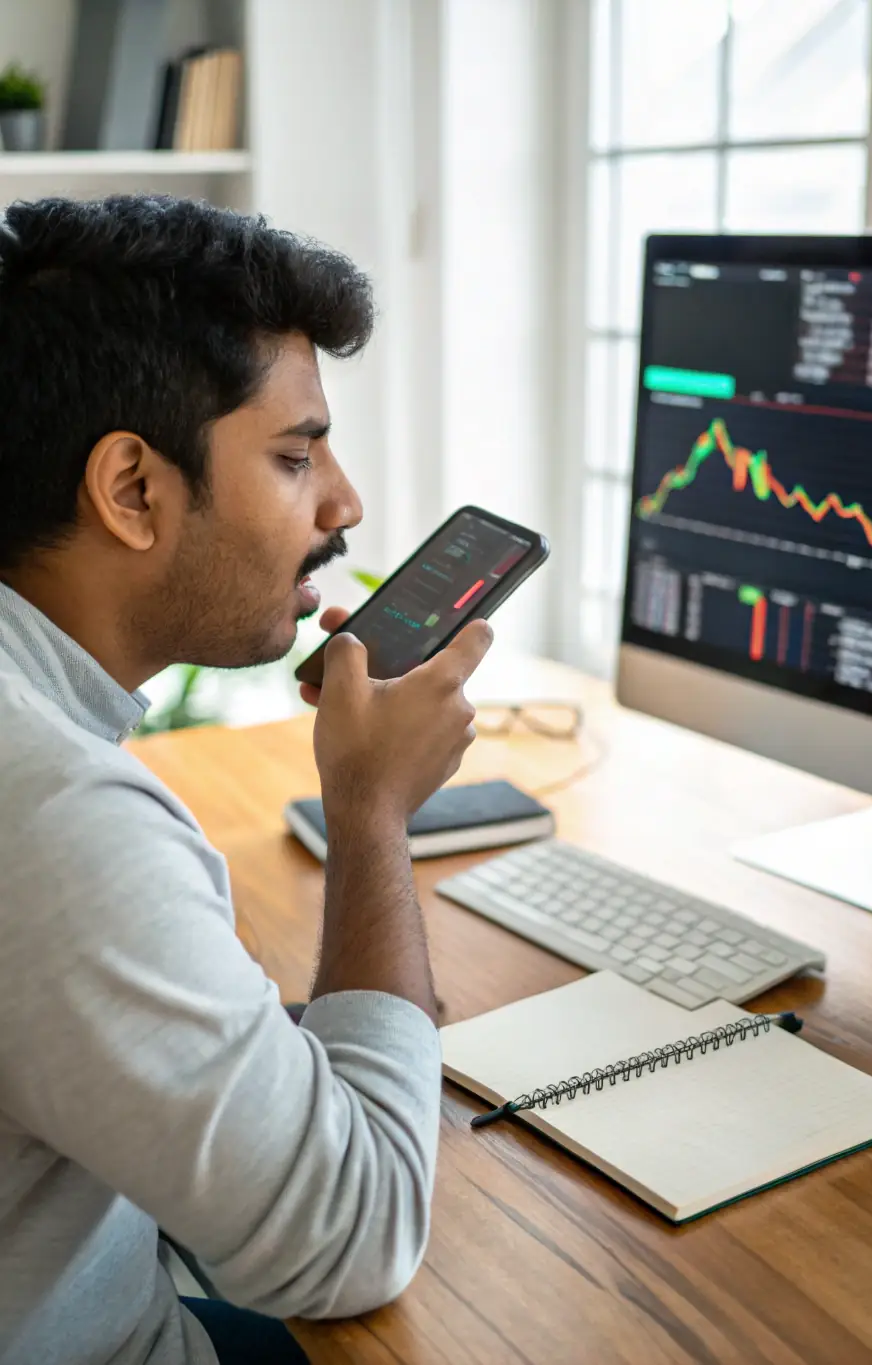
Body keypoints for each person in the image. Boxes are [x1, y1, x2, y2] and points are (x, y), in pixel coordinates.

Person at [0, 195, 492, 1365]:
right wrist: (369, 811)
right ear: (131, 489)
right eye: (292, 453)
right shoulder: (61, 817)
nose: (343, 504)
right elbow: (349, 1241)